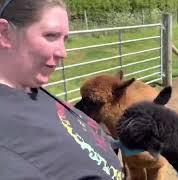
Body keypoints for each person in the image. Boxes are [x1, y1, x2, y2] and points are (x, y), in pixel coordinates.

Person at [0, 0, 124, 179]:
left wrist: (121, 144)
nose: (63, 52)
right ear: (5, 34)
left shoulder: (31, 88)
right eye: (51, 35)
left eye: (65, 39)